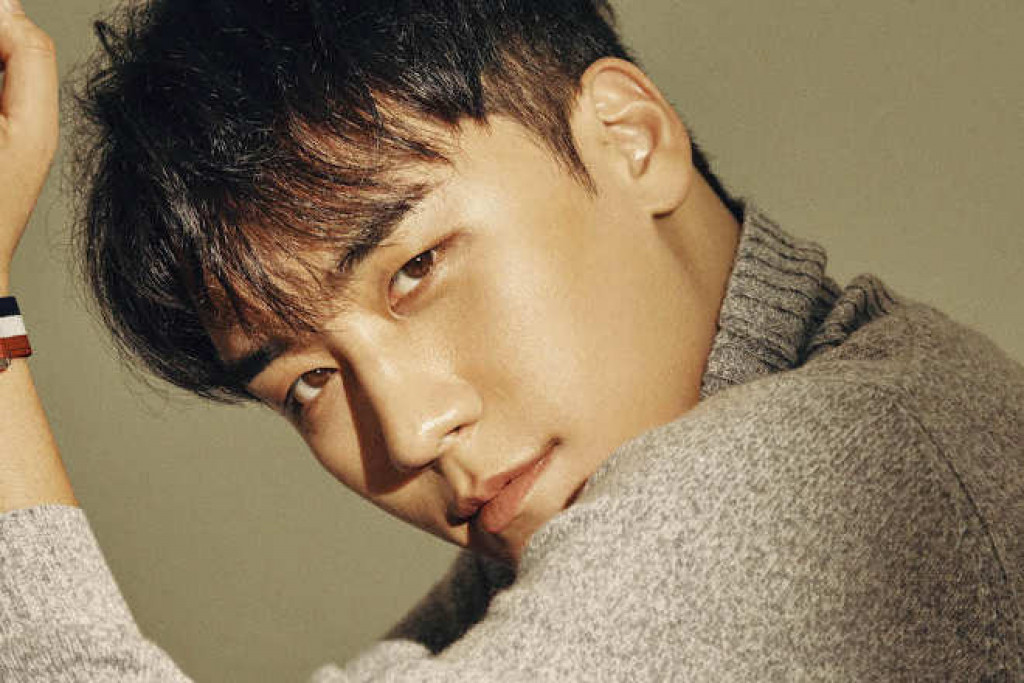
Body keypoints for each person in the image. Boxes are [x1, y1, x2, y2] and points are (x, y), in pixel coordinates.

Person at [1, 0, 1022, 680]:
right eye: (308, 384)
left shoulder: (853, 469)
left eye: (415, 267)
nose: (409, 429)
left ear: (629, 139)